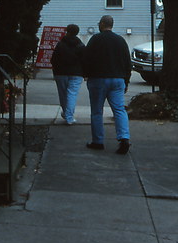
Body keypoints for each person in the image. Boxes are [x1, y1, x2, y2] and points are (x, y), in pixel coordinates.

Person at [82, 14, 131, 154]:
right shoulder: (121, 41)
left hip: (98, 79)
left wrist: (86, 73)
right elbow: (128, 63)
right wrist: (126, 81)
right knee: (119, 109)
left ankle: (98, 141)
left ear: (102, 24)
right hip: (117, 80)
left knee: (97, 111)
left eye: (99, 23)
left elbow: (86, 58)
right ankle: (124, 138)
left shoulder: (95, 39)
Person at [51, 24, 85, 125]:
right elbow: (85, 60)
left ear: (67, 31)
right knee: (72, 94)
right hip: (76, 73)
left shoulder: (60, 44)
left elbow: (53, 59)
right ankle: (69, 116)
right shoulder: (81, 45)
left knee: (63, 94)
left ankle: (66, 113)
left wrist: (55, 70)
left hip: (60, 73)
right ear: (77, 32)